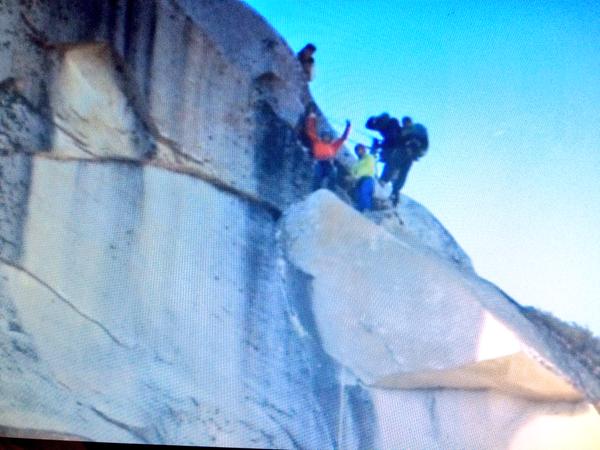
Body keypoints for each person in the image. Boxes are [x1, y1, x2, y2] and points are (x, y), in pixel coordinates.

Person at [305, 112, 351, 191]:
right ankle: (315, 191)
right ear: (322, 136)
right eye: (325, 136)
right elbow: (310, 131)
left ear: (330, 138)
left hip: (329, 163)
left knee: (333, 172)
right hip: (318, 162)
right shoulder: (317, 142)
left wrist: (348, 127)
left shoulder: (333, 146)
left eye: (328, 136)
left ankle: (330, 191)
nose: (326, 137)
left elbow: (343, 138)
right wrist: (312, 117)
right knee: (317, 174)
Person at [350, 144, 376, 212]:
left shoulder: (369, 157)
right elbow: (353, 170)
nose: (358, 152)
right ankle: (359, 209)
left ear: (363, 150)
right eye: (357, 151)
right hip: (359, 180)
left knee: (364, 192)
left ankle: (366, 210)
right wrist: (353, 175)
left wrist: (357, 175)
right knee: (358, 193)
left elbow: (368, 168)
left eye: (359, 150)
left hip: (367, 178)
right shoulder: (358, 161)